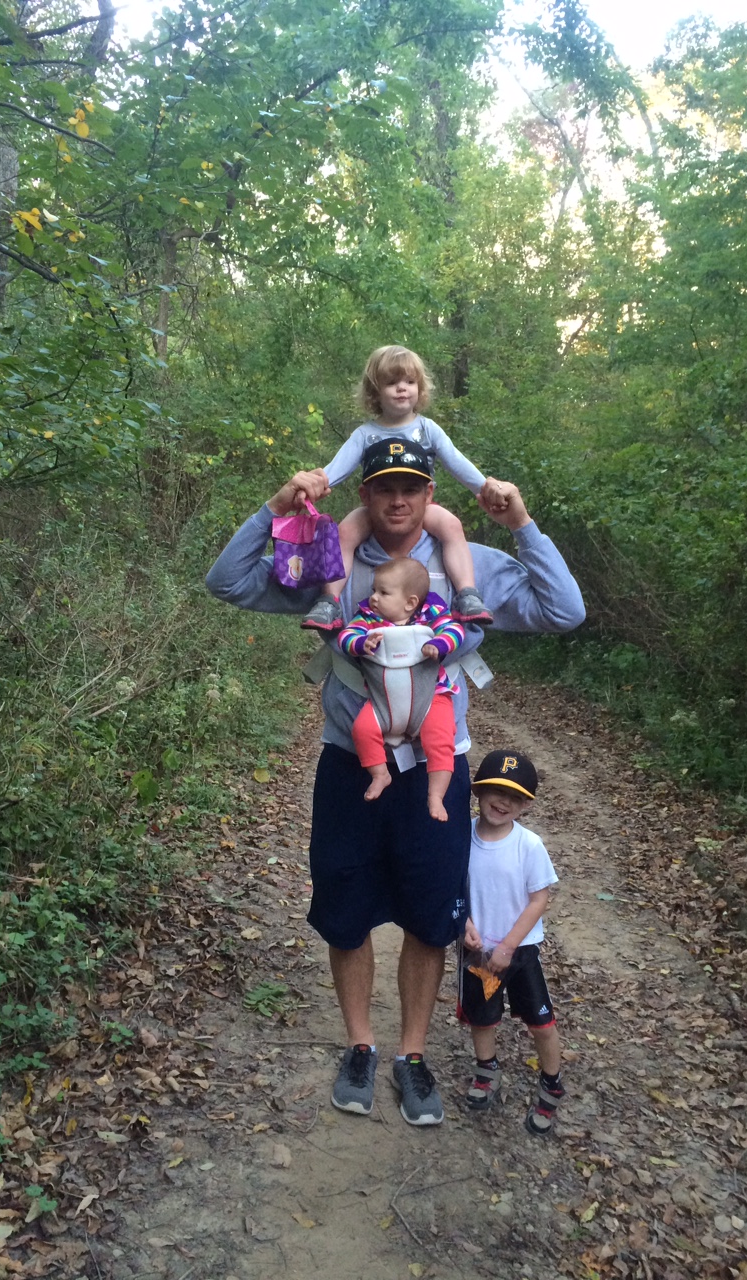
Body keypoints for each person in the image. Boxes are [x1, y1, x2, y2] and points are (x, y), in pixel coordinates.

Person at [205, 437, 584, 1128]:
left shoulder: (471, 564)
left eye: (412, 486)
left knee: (427, 917)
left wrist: (522, 526)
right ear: (367, 495)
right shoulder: (330, 559)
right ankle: (360, 1045)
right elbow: (227, 581)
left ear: (430, 495)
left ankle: (412, 1055)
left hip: (434, 773)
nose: (399, 499)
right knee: (347, 915)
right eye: (384, 487)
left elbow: (565, 611)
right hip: (351, 767)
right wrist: (275, 507)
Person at [301, 344, 506, 633]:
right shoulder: (365, 434)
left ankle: (467, 595)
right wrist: (314, 485)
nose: (402, 389)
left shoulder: (428, 429)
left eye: (410, 382)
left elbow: (457, 462)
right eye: (392, 382)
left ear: (420, 389)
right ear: (375, 391)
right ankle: (329, 602)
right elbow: (338, 468)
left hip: (420, 506)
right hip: (376, 507)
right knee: (344, 532)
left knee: (451, 525)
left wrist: (487, 486)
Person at [458, 749, 565, 1135]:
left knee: (540, 1022)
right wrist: (464, 922)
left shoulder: (528, 845)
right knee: (482, 1015)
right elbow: (455, 886)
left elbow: (539, 898)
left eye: (515, 796)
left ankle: (551, 1083)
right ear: (478, 791)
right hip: (477, 952)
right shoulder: (462, 834)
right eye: (495, 790)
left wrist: (507, 947)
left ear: (524, 805)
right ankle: (486, 1069)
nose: (503, 801)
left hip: (518, 953)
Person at [338, 557, 464, 820]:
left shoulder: (431, 615)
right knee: (362, 729)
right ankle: (380, 774)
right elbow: (345, 637)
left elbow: (455, 631)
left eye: (383, 592)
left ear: (410, 602)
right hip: (382, 701)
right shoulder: (369, 619)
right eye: (374, 590)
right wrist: (361, 644)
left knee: (441, 739)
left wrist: (440, 644)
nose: (373, 597)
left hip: (431, 697)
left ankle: (436, 796)